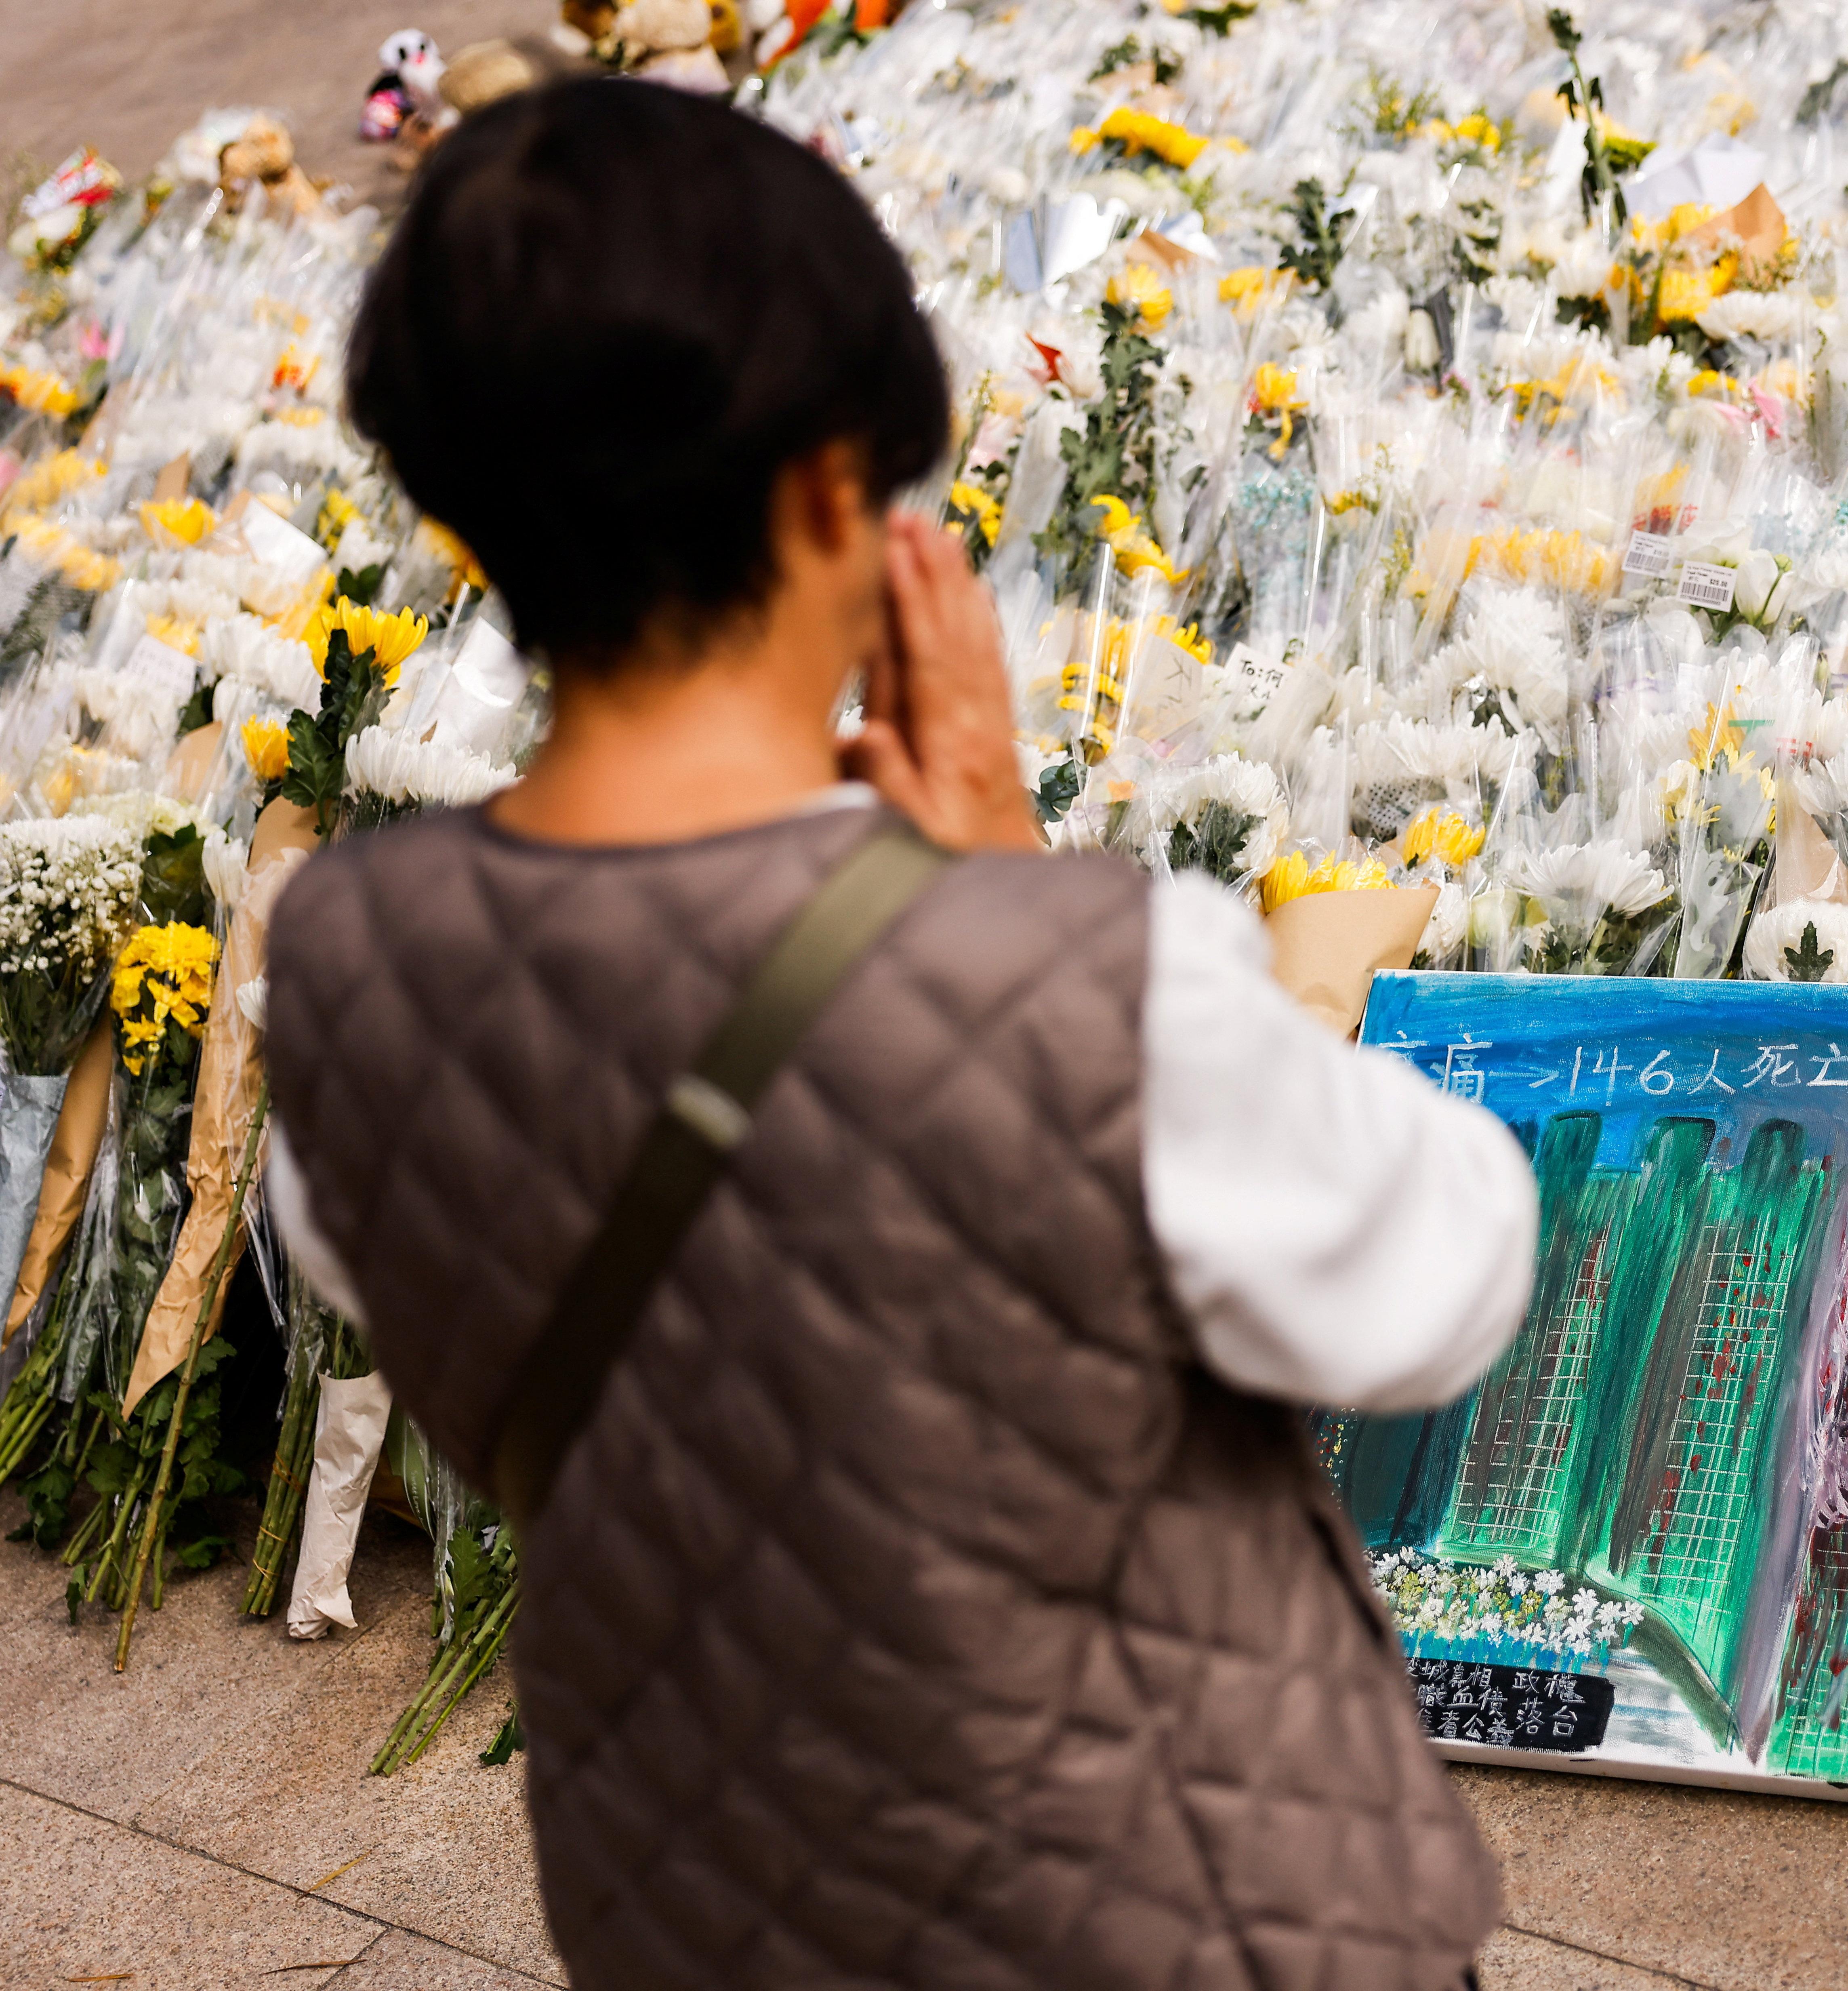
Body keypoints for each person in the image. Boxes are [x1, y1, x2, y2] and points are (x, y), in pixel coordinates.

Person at [261, 81, 1533, 1991]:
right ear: (830, 495)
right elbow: (1446, 1281)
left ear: (463, 519)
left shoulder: (354, 968)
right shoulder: (1082, 982)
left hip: (712, 1905)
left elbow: (370, 1245)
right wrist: (1019, 885)